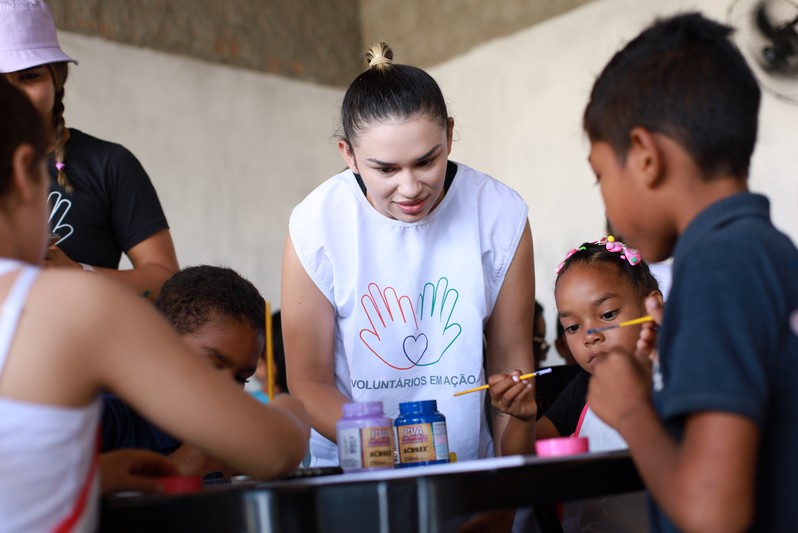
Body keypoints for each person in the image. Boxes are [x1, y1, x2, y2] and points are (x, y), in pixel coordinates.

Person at [0, 77, 309, 532]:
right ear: (27, 171)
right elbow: (273, 451)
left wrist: (93, 475)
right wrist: (290, 411)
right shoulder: (72, 305)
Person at [581, 13, 798, 532]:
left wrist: (632, 413)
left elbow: (713, 514)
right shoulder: (769, 250)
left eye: (600, 176)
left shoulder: (716, 267)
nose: (605, 196)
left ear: (646, 157)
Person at [281, 42, 535, 467]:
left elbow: (510, 367)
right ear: (349, 156)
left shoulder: (500, 214)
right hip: (357, 467)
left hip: (471, 467)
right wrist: (398, 451)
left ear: (450, 135)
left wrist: (507, 489)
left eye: (426, 161)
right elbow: (309, 383)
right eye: (386, 169)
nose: (411, 187)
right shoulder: (316, 223)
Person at [0, 0, 179, 302]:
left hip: (84, 344)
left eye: (29, 77)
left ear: (57, 79)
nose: (13, 96)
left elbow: (166, 278)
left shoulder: (110, 164)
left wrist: (79, 272)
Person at [101, 265, 265, 478]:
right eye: (213, 367)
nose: (228, 392)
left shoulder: (229, 443)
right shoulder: (107, 419)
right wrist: (175, 468)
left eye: (241, 378)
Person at [544, 236, 660, 531]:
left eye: (607, 315)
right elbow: (528, 451)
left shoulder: (679, 376)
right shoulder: (584, 387)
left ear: (653, 307)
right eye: (573, 327)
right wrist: (517, 417)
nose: (589, 335)